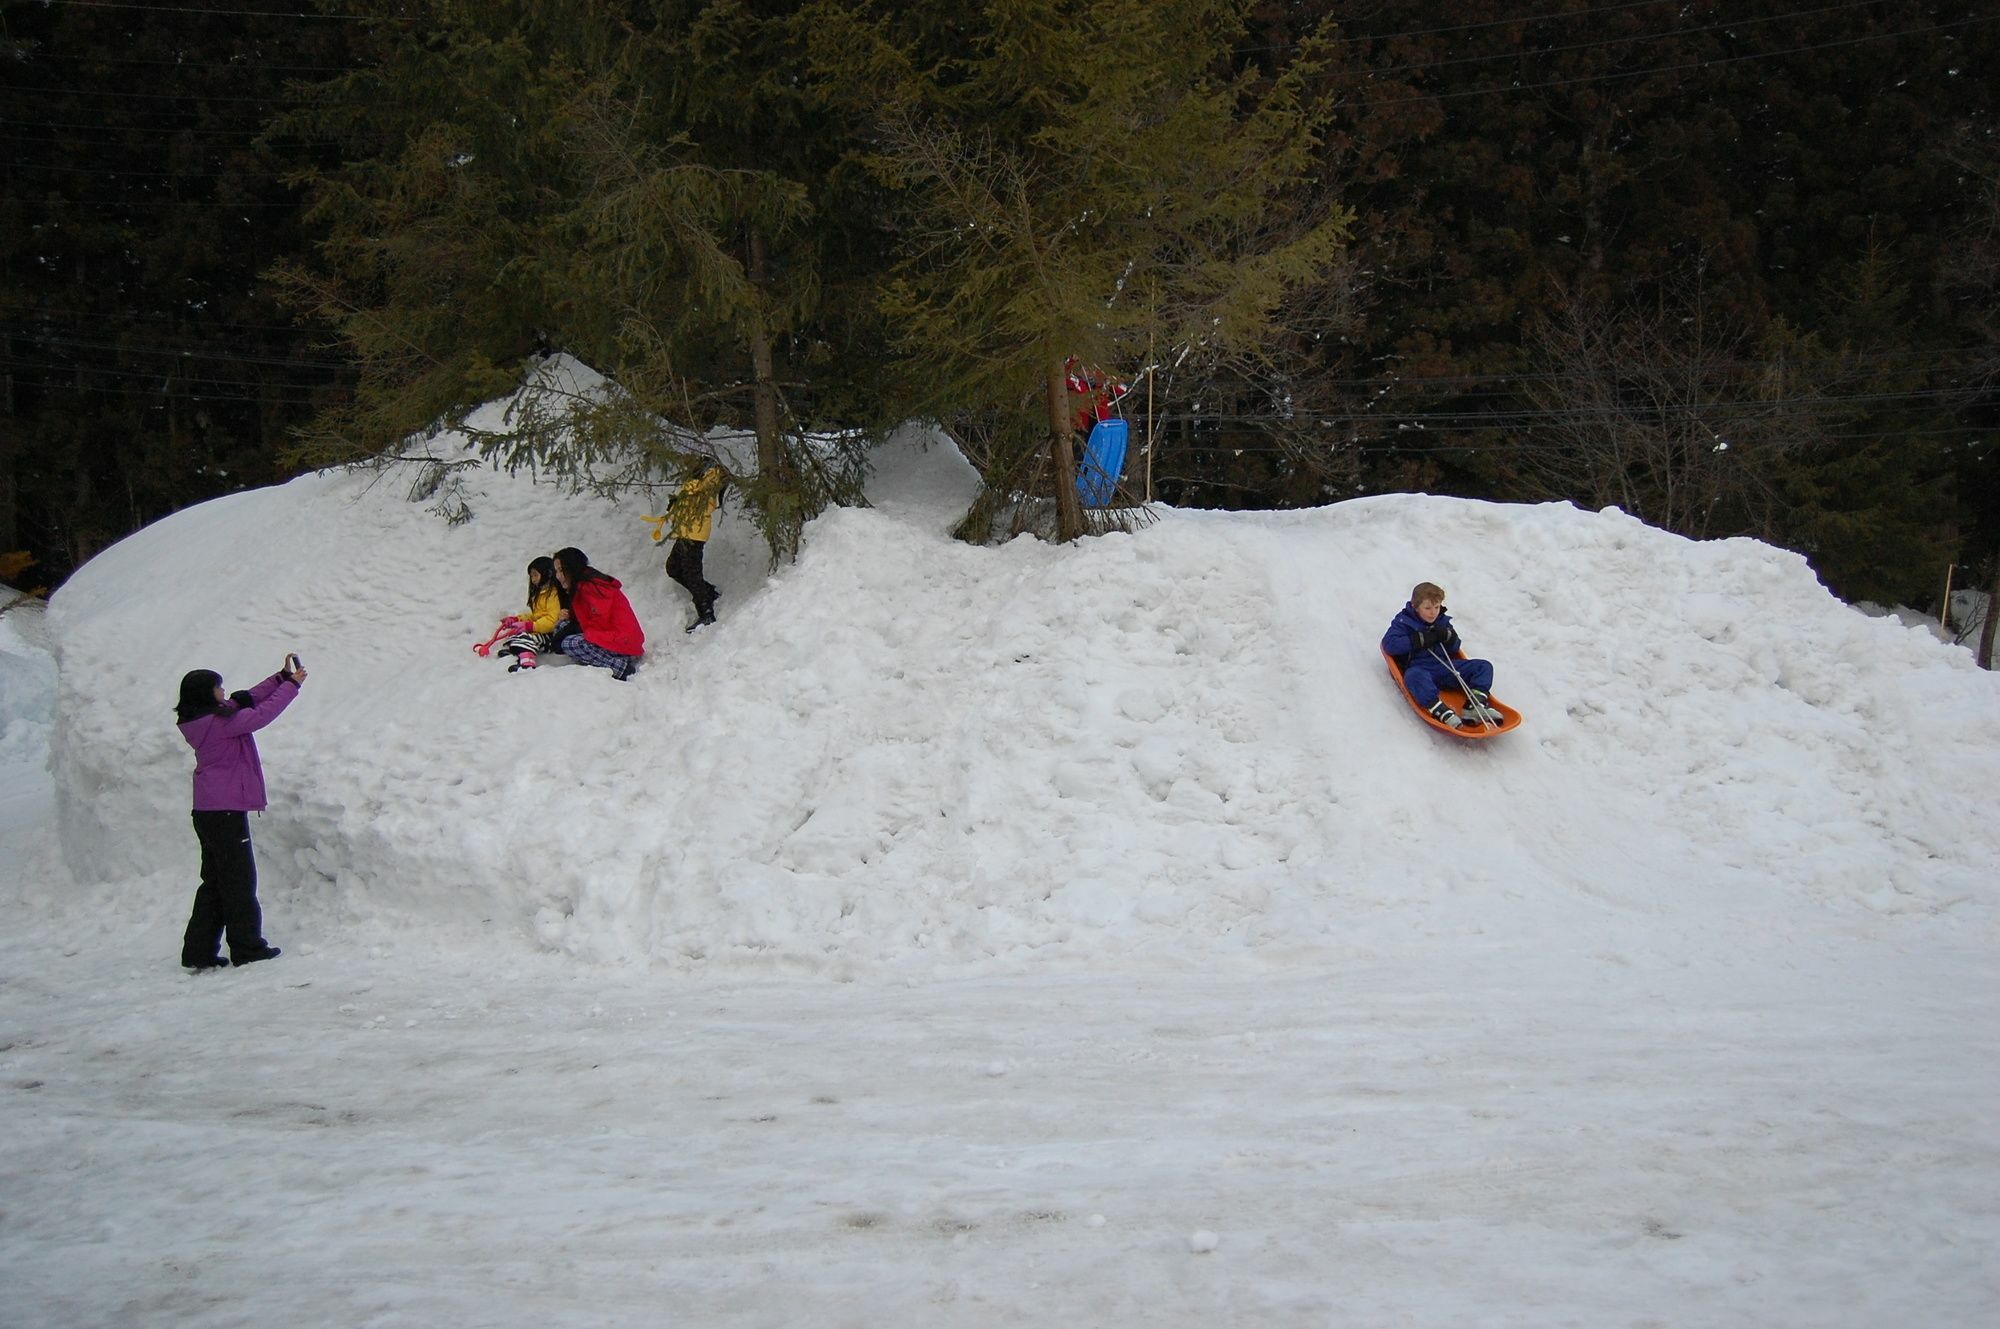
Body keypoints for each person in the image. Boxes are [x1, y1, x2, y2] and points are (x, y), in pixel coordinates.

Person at [174, 656, 305, 970]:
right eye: (218, 688)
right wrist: (293, 688)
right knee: (239, 883)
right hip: (225, 814)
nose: (224, 691)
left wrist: (279, 679)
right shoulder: (221, 724)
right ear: (208, 694)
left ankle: (198, 951)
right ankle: (247, 947)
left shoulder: (203, 720)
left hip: (208, 811)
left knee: (216, 882)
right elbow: (261, 714)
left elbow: (245, 700)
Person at [1382, 581, 1496, 729]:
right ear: (1416, 607)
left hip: (1445, 668)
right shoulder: (1404, 622)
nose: (1433, 612)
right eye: (1427, 608)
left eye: (1436, 607)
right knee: (1413, 676)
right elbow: (1389, 645)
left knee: (1483, 666)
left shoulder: (1441, 620)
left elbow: (1455, 647)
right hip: (1420, 669)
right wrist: (1419, 639)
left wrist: (1448, 636)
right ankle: (1440, 710)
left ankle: (1474, 706)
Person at [551, 546, 644, 680]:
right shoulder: (581, 585)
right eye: (556, 571)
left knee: (569, 643)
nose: (558, 576)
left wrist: (570, 631)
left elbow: (599, 622)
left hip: (624, 642)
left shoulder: (593, 587)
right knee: (562, 626)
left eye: (561, 570)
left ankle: (620, 668)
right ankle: (599, 660)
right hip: (612, 637)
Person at [656, 464, 726, 632]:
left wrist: (688, 488)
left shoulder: (712, 474)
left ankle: (706, 612)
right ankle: (707, 592)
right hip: (686, 531)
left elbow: (705, 500)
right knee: (673, 568)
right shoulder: (698, 474)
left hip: (695, 534)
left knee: (691, 573)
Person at [497, 555, 565, 672]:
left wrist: (531, 626)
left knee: (526, 637)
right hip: (542, 631)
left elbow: (552, 620)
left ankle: (527, 663)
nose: (533, 579)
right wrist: (517, 619)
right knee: (516, 635)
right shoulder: (541, 594)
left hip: (553, 635)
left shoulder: (553, 595)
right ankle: (519, 650)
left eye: (535, 575)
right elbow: (535, 616)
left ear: (547, 573)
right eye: (531, 576)